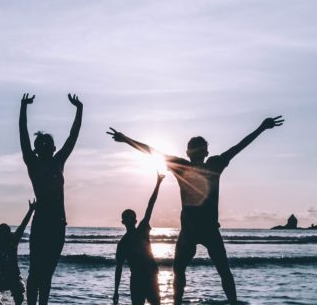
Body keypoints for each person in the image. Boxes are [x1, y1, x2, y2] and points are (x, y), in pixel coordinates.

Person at [107, 116, 284, 304]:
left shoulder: (196, 165)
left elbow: (152, 151)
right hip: (193, 232)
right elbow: (238, 147)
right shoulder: (206, 164)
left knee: (203, 271)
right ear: (201, 152)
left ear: (194, 152)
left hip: (202, 231)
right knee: (196, 271)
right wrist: (262, 128)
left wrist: (126, 139)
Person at [18, 93, 83, 305]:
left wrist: (79, 109)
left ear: (54, 148)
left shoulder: (58, 162)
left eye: (49, 143)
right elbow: (23, 135)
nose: (46, 145)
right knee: (36, 270)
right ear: (37, 150)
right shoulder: (33, 164)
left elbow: (73, 137)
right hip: (42, 223)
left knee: (47, 273)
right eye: (42, 144)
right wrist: (23, 107)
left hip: (58, 224)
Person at [114, 172, 166, 305]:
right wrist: (115, 291)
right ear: (123, 222)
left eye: (132, 217)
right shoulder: (123, 244)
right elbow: (118, 268)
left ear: (135, 220)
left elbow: (150, 205)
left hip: (151, 278)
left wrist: (158, 184)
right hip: (137, 281)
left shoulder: (142, 229)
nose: (130, 220)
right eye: (127, 218)